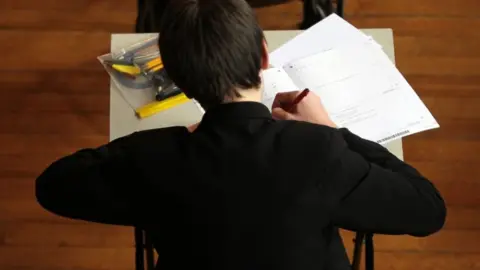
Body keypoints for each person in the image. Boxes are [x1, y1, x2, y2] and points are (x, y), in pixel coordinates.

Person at [36, 0, 446, 270]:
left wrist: (169, 140)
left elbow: (52, 185)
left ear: (175, 78)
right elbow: (428, 209)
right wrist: (332, 131)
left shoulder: (155, 159)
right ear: (265, 56)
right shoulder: (321, 151)